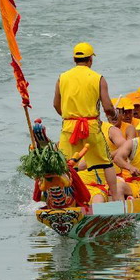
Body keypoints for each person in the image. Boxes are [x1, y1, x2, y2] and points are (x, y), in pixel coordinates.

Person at [53, 42, 123, 201]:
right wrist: (113, 116)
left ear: (74, 59)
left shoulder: (62, 77)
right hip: (91, 126)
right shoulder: (98, 78)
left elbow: (56, 104)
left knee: (64, 165)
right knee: (106, 163)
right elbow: (107, 106)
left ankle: (62, 199)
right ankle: (116, 197)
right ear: (90, 59)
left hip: (69, 127)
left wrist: (69, 117)